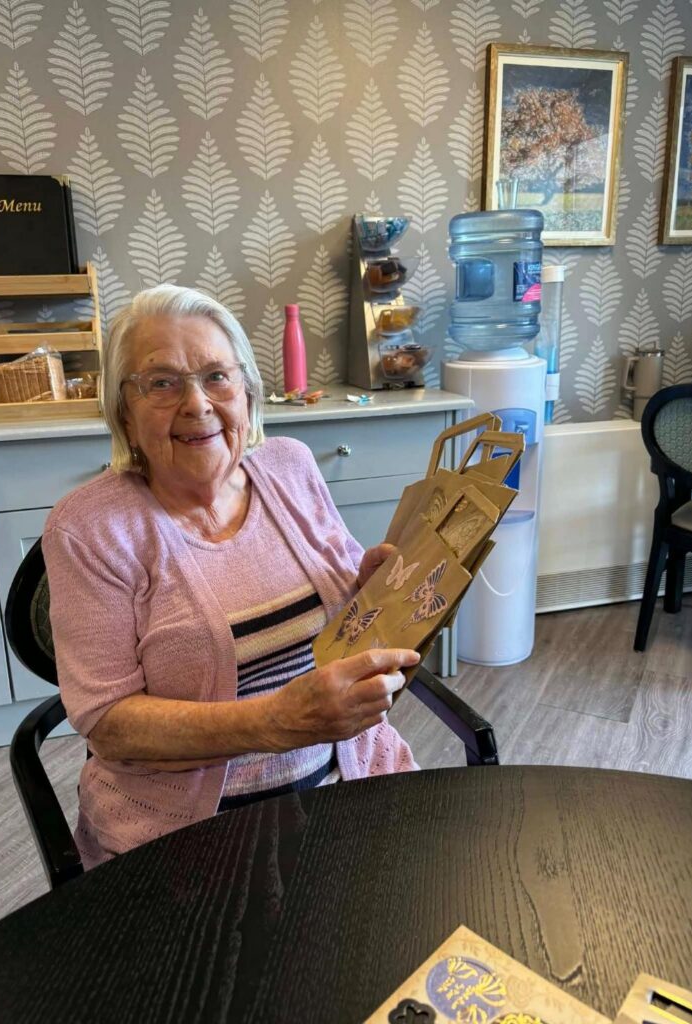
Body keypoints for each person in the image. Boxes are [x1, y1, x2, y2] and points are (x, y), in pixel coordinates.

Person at [43, 284, 420, 868]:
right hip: (184, 837)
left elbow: (343, 621)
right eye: (162, 382)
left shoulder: (290, 466)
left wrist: (370, 588)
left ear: (247, 392)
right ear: (124, 411)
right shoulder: (89, 528)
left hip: (349, 788)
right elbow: (109, 724)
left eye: (217, 376)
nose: (196, 404)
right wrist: (276, 722)